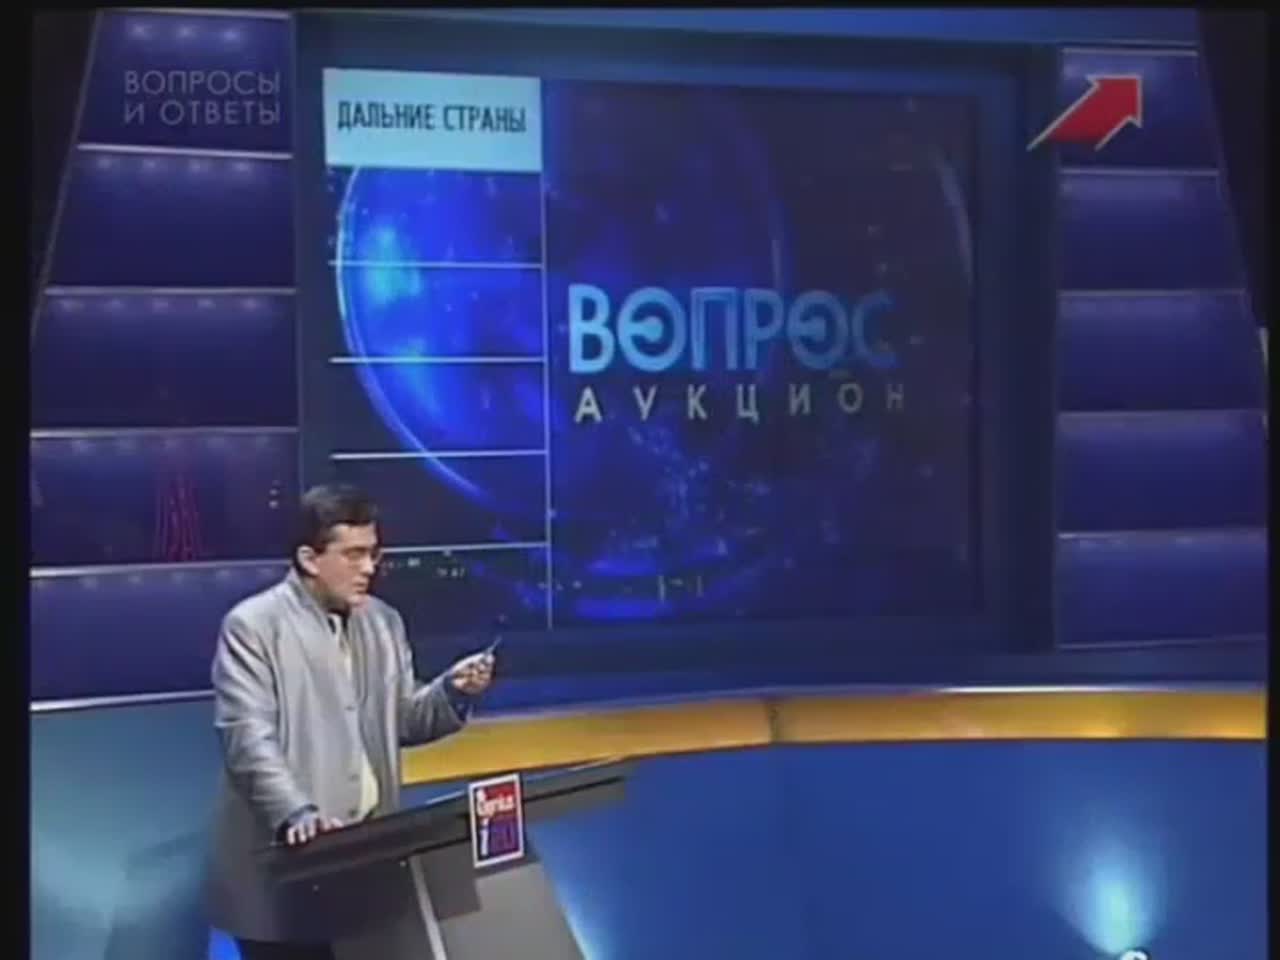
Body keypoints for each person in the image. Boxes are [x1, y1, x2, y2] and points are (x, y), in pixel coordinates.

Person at [207, 484, 495, 960]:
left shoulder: (383, 622)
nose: (369, 568)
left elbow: (405, 719)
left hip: (366, 864)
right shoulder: (253, 626)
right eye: (354, 555)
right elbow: (248, 740)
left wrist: (452, 691)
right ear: (309, 559)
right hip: (288, 872)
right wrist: (297, 812)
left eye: (373, 553)